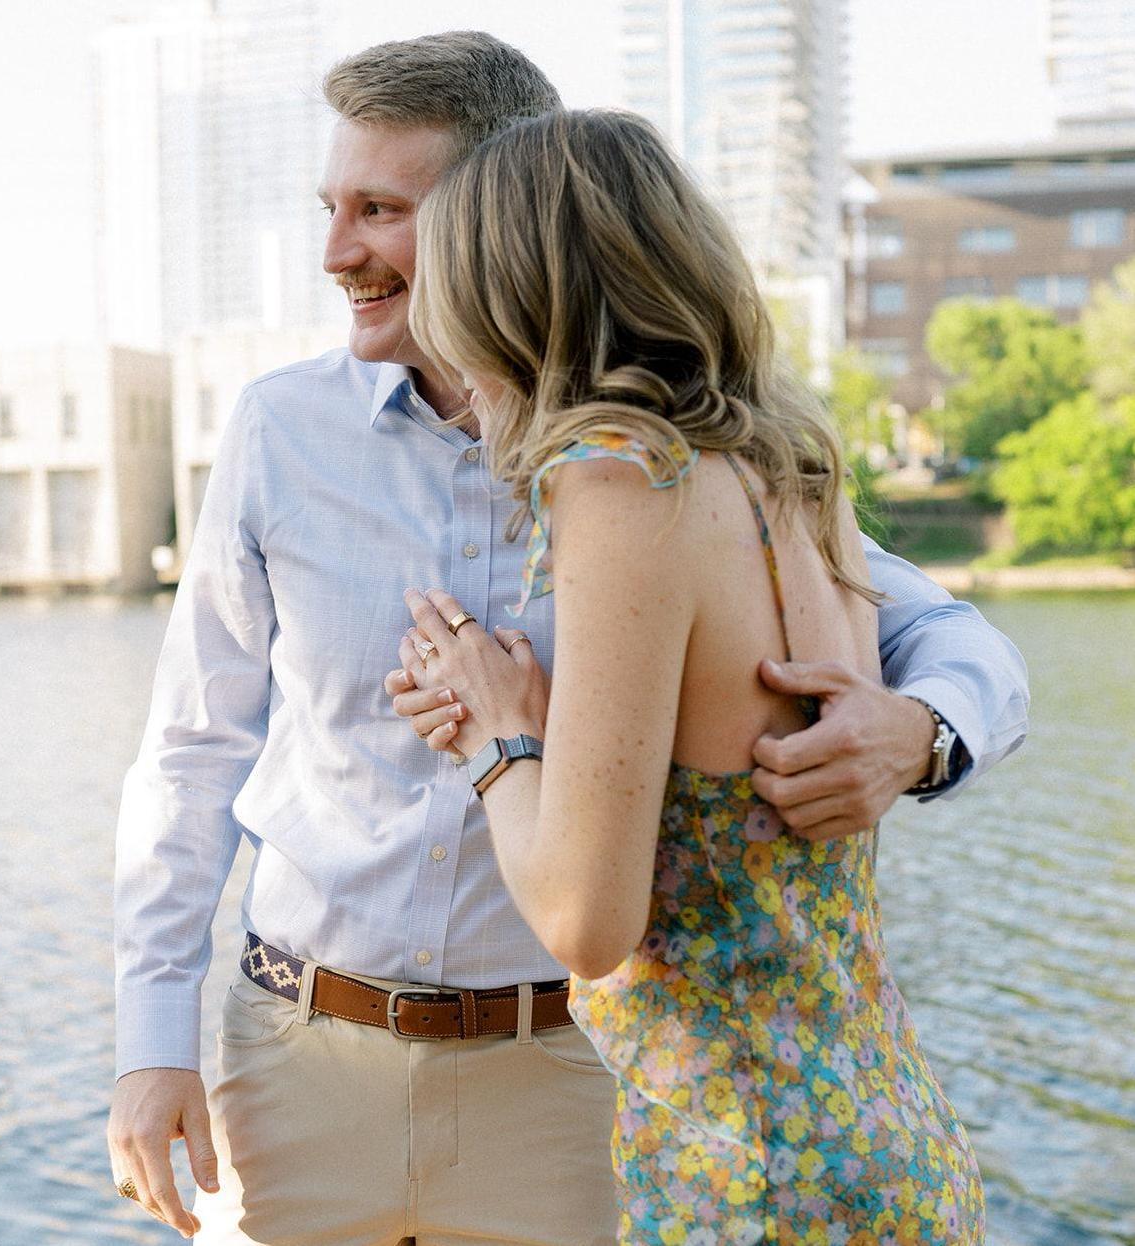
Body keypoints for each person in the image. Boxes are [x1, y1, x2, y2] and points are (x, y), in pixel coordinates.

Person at [106, 32, 1026, 1246]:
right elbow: (192, 750)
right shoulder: (282, 431)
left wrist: (924, 730)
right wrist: (149, 1038)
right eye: (330, 207)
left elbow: (950, 636)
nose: (339, 253)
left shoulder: (641, 473)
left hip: (574, 1089)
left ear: (507, 206)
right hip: (296, 1063)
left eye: (381, 209)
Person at [398, 108, 988, 1244]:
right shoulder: (790, 464)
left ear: (507, 294)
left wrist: (496, 737)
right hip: (884, 1137)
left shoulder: (619, 479)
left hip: (742, 1180)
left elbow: (586, 921)